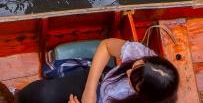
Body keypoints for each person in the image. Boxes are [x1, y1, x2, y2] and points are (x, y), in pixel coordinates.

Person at [17, 38, 179, 103]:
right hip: (96, 84)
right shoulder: (141, 54)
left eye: (134, 81)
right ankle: (14, 97)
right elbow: (107, 46)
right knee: (43, 93)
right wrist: (90, 90)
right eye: (136, 66)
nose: (128, 72)